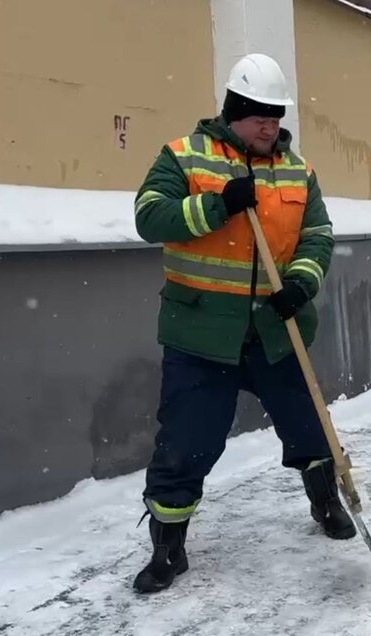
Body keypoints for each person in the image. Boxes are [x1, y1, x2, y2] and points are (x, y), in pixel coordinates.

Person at [130, 53, 351, 594]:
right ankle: (168, 547)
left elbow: (316, 234)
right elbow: (149, 217)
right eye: (260, 118)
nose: (270, 128)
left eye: (276, 118)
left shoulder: (298, 169)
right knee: (187, 441)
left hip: (278, 330)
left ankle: (326, 501)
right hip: (201, 332)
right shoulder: (185, 157)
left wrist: (300, 281)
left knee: (310, 426)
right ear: (234, 112)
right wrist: (217, 205)